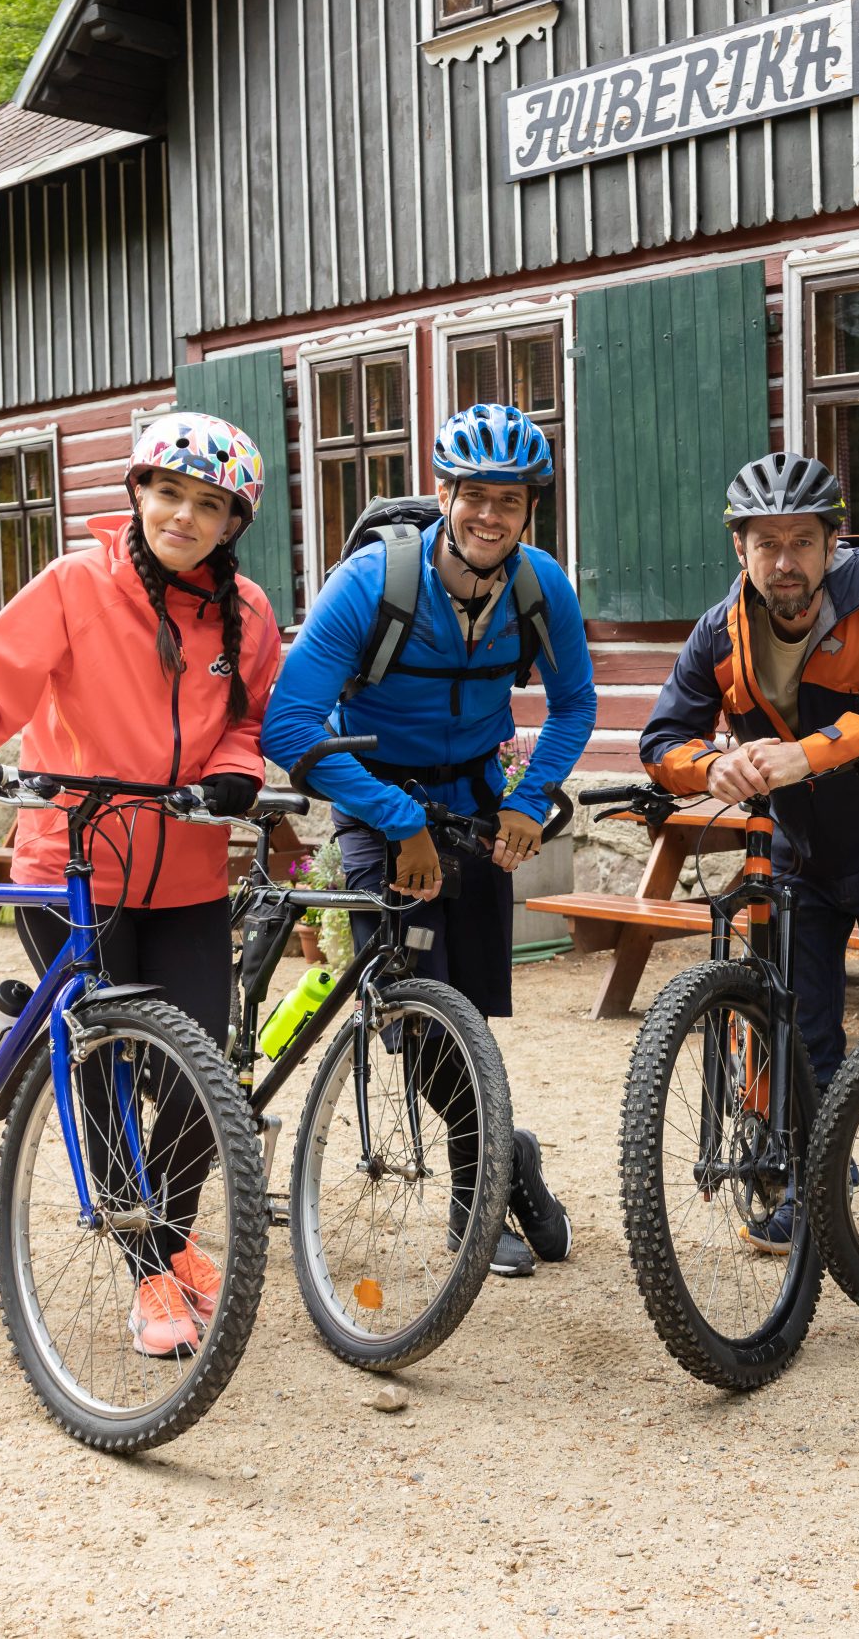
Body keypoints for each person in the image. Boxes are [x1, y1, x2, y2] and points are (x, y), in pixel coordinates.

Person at [0, 411, 283, 1359]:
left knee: (205, 1079)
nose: (184, 517)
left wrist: (239, 764)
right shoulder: (77, 585)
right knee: (107, 1071)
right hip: (70, 869)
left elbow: (251, 718)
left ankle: (158, 1234)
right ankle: (151, 1268)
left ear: (233, 521)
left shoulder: (248, 616)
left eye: (209, 505)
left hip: (190, 870)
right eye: (169, 494)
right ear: (136, 493)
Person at [262, 402, 595, 1278]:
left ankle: (474, 1202)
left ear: (531, 508)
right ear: (445, 493)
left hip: (481, 812)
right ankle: (496, 1173)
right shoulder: (374, 584)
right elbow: (291, 727)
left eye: (511, 500)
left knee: (471, 1016)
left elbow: (575, 706)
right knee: (414, 1015)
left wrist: (527, 802)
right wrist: (399, 821)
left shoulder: (539, 587)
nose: (491, 515)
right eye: (476, 495)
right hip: (380, 807)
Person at [637, 452, 859, 1287]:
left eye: (802, 542)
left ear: (830, 543)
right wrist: (708, 768)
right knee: (800, 1033)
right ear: (738, 550)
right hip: (797, 855)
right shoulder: (720, 631)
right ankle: (817, 1190)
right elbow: (661, 739)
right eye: (766, 543)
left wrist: (805, 756)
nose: (785, 562)